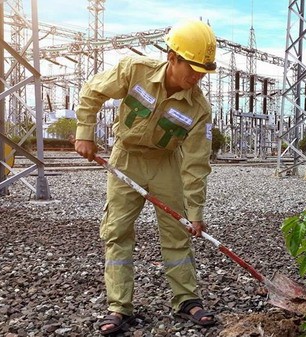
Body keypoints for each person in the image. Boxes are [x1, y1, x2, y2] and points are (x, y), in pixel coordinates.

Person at [74, 19, 218, 335]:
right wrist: (84, 133)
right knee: (118, 231)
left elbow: (196, 164)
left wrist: (195, 213)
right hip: (125, 159)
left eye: (202, 72)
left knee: (178, 232)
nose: (196, 77)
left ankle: (186, 299)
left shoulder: (200, 109)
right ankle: (119, 307)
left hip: (166, 164)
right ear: (172, 57)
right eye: (191, 68)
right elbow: (92, 90)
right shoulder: (133, 70)